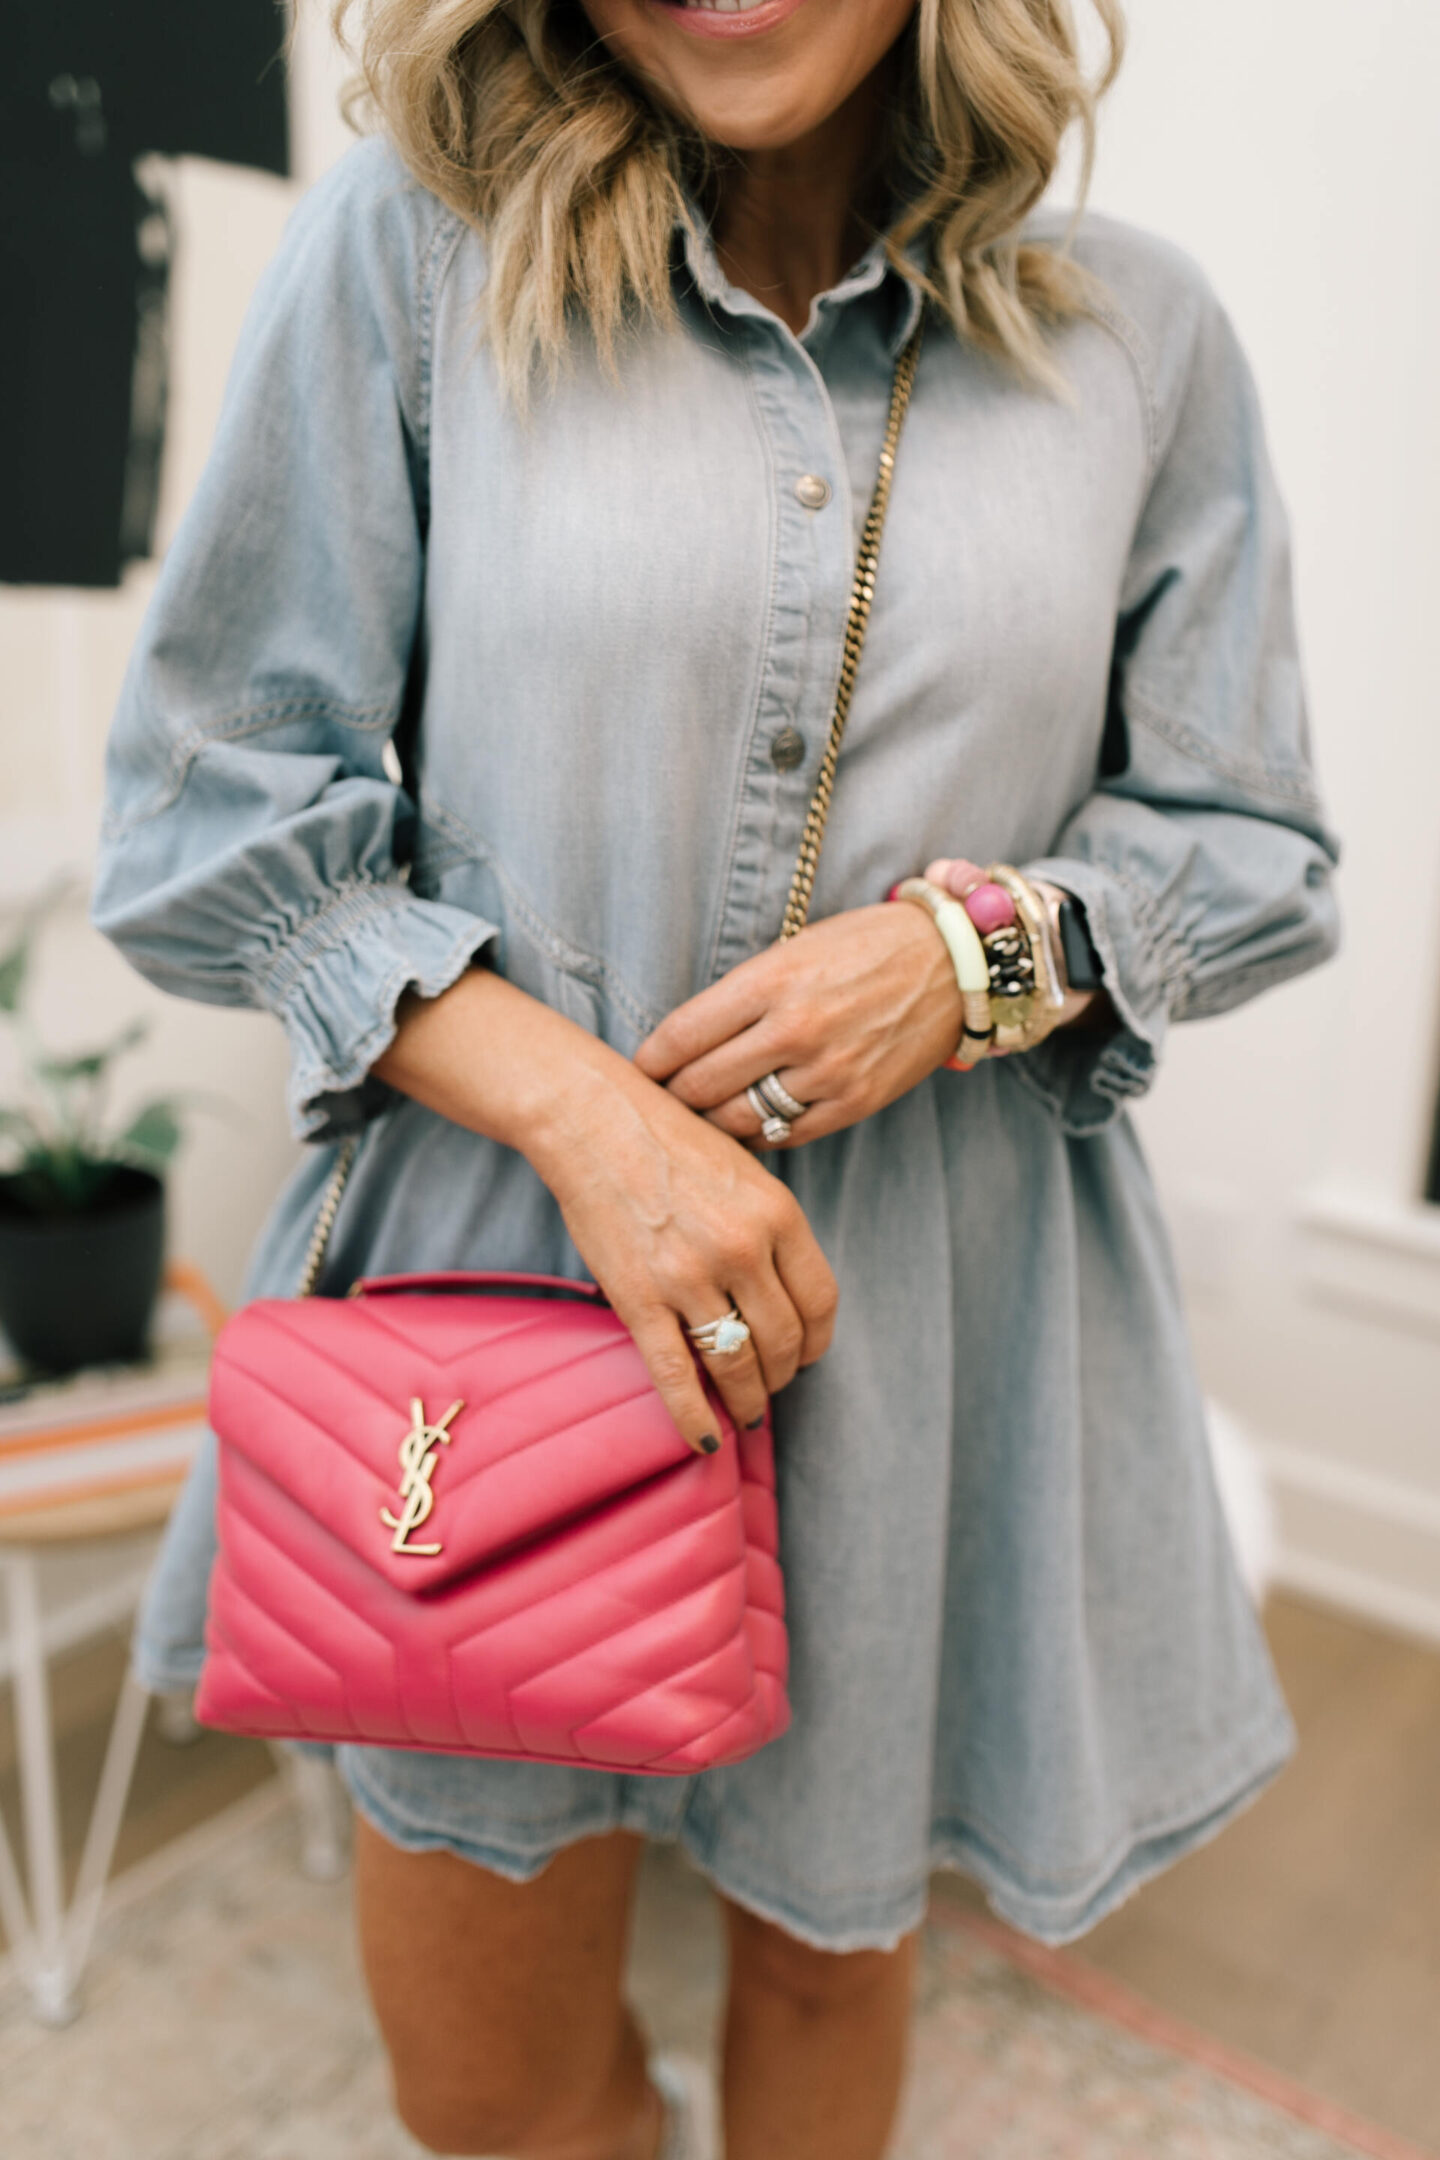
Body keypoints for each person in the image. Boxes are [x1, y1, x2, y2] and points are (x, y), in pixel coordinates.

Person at [93, 2, 1339, 2154]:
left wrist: (971, 957)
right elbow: (213, 817)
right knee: (492, 2091)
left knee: (826, 1979)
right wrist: (593, 1121)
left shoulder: (1139, 338)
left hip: (927, 1334)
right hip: (492, 1317)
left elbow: (1251, 850)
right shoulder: (413, 255)